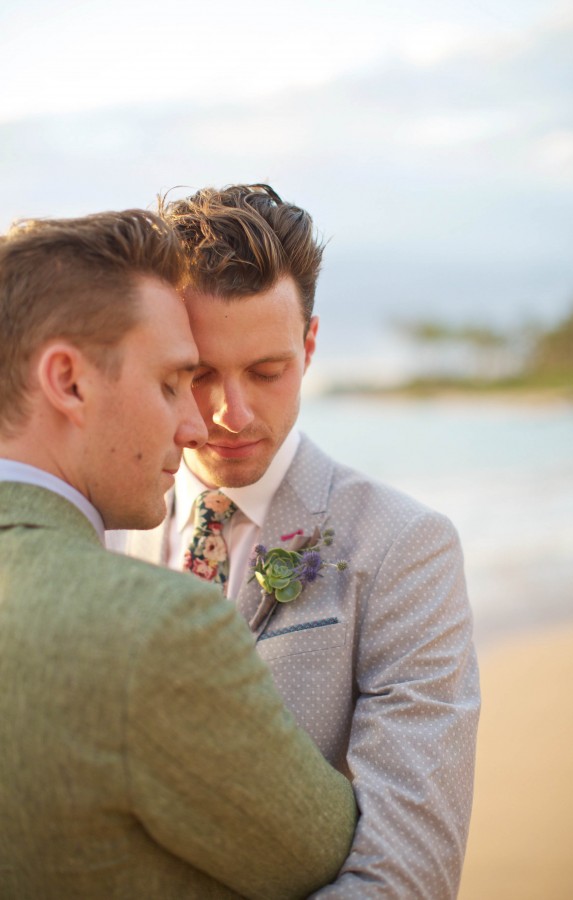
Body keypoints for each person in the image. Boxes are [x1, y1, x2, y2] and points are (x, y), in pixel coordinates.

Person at [111, 184, 481, 898]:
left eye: (267, 371)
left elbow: (408, 871)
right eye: (199, 374)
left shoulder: (407, 548)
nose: (231, 412)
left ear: (309, 347)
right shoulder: (97, 531)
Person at [0, 209, 357, 900]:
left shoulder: (399, 537)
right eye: (174, 383)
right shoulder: (156, 629)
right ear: (69, 382)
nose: (199, 424)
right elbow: (319, 855)